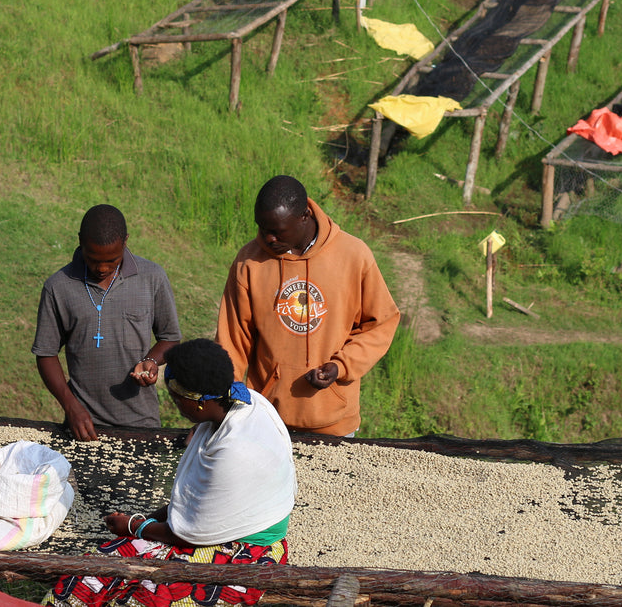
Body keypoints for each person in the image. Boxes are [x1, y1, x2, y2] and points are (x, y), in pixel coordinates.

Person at [43, 338, 296, 607]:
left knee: (147, 597)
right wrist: (143, 524)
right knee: (87, 576)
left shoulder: (234, 451)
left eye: (176, 399)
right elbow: (192, 504)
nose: (174, 404)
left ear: (196, 402)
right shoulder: (245, 402)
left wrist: (134, 526)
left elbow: (185, 534)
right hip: (204, 528)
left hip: (243, 548)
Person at [216, 175, 400, 436]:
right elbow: (232, 339)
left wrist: (341, 366)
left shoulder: (353, 255)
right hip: (266, 423)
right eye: (262, 227)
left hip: (336, 424)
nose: (267, 238)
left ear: (304, 216)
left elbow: (381, 323)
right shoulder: (249, 262)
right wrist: (231, 398)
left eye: (277, 231)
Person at [33, 204, 181, 440]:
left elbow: (170, 337)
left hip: (141, 424)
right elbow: (46, 353)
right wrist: (70, 406)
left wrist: (151, 361)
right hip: (83, 426)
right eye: (92, 259)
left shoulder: (152, 278)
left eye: (112, 260)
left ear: (125, 242)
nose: (102, 268)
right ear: (80, 241)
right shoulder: (58, 287)